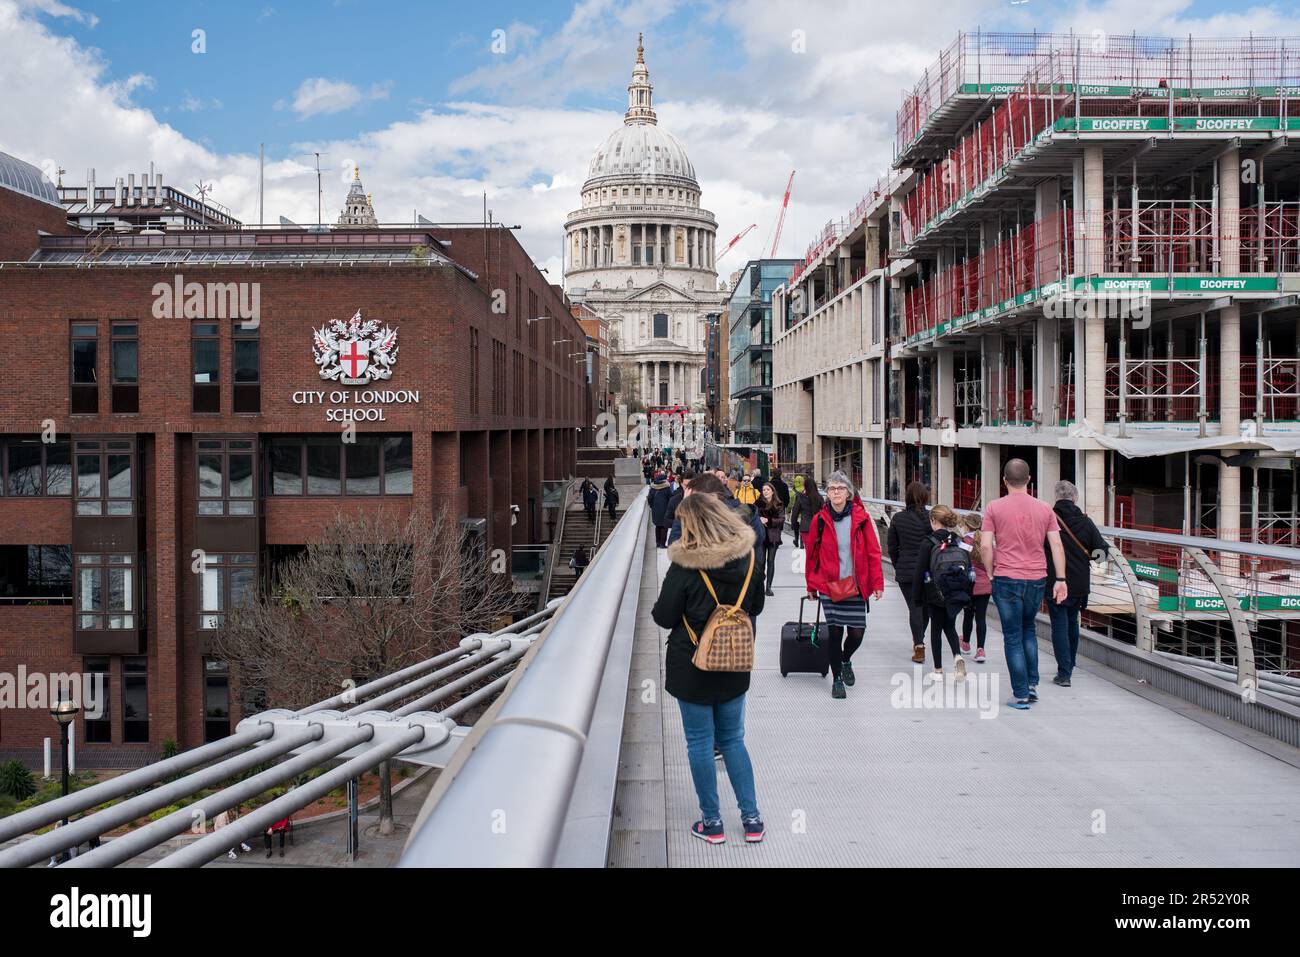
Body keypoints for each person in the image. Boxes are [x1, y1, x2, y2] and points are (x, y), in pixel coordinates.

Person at [651, 492, 767, 845]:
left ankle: (712, 823)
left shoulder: (686, 566)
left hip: (693, 666)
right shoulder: (747, 559)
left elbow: (664, 615)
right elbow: (757, 606)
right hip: (734, 661)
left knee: (700, 742)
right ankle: (752, 820)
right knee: (733, 739)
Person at [982, 459, 1069, 710]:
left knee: (1012, 636)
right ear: (1029, 480)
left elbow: (986, 545)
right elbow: (1056, 545)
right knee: (1028, 629)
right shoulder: (1044, 509)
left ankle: (1020, 693)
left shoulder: (994, 507)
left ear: (1005, 481)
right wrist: (1060, 579)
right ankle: (1031, 684)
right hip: (1036, 577)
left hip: (1006, 577)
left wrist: (990, 571)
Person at [804, 470, 885, 699]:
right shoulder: (820, 520)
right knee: (834, 633)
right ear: (827, 493)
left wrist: (877, 583)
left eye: (840, 488)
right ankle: (837, 678)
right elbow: (811, 555)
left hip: (856, 585)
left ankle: (846, 659)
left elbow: (873, 552)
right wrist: (811, 585)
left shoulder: (861, 518)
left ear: (849, 492)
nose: (836, 492)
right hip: (830, 586)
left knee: (857, 633)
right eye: (831, 488)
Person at [1045, 480, 1109, 687]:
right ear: (1075, 498)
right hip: (1080, 582)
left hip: (1055, 581)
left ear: (1056, 497)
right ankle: (1070, 664)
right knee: (1073, 622)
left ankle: (1064, 672)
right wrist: (1091, 556)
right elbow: (1100, 554)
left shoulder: (1048, 519)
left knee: (1059, 625)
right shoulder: (1086, 522)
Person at [912, 505, 970, 679]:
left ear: (933, 521)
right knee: (950, 625)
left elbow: (920, 571)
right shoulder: (959, 540)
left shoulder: (928, 542)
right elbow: (969, 564)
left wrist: (917, 597)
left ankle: (938, 670)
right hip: (955, 591)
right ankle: (957, 656)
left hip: (935, 592)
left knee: (936, 629)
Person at [887, 481, 933, 664]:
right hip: (928, 571)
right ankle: (919, 641)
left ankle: (919, 644)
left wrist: (898, 565)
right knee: (926, 609)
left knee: (914, 607)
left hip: (907, 570)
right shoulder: (931, 518)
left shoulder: (898, 518)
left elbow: (892, 546)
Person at [960, 512, 992, 663]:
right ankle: (981, 649)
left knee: (968, 614)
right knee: (981, 618)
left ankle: (965, 643)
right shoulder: (987, 541)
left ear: (967, 525)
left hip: (969, 585)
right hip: (985, 585)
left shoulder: (965, 541)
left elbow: (961, 560)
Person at [756, 482, 786, 597]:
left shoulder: (779, 504)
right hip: (762, 536)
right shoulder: (758, 504)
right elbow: (753, 517)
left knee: (771, 561)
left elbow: (781, 519)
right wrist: (759, 520)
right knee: (761, 562)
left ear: (772, 491)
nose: (766, 492)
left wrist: (768, 521)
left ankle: (768, 587)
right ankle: (760, 585)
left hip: (773, 537)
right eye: (764, 490)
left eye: (768, 489)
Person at [788, 474, 823, 549]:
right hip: (817, 527)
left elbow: (795, 513)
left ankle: (802, 545)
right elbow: (824, 511)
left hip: (805, 527)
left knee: (808, 551)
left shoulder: (801, 498)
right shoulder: (819, 497)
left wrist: (793, 525)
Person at [649, 473, 673, 547]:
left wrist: (652, 506)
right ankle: (662, 544)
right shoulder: (667, 488)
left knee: (657, 526)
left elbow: (650, 499)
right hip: (665, 510)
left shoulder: (653, 487)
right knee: (664, 527)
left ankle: (658, 543)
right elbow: (670, 499)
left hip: (655, 510)